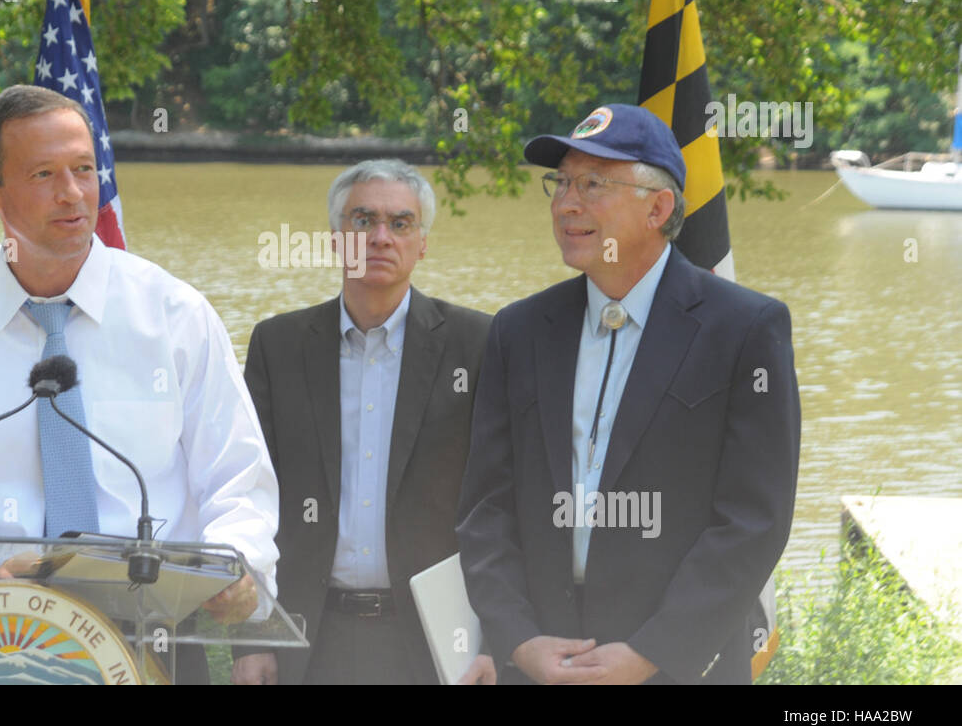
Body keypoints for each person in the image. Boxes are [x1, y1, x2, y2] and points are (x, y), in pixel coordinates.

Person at [0, 84, 278, 683]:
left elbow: (238, 480)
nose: (74, 193)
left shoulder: (175, 315)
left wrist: (241, 568)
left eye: (84, 169)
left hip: (156, 638)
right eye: (44, 174)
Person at [457, 103, 800, 685]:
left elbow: (752, 519)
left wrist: (654, 651)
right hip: (542, 666)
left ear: (658, 207)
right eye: (562, 182)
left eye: (593, 183)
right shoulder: (518, 329)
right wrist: (518, 640)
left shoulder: (745, 329)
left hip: (682, 667)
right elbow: (486, 507)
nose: (567, 202)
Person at [232, 160, 496, 685]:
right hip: (310, 638)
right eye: (362, 221)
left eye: (401, 223)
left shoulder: (480, 343)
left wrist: (493, 639)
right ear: (335, 239)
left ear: (423, 242)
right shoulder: (278, 346)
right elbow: (248, 495)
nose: (381, 237)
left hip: (437, 640)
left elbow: (501, 500)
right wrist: (253, 637)